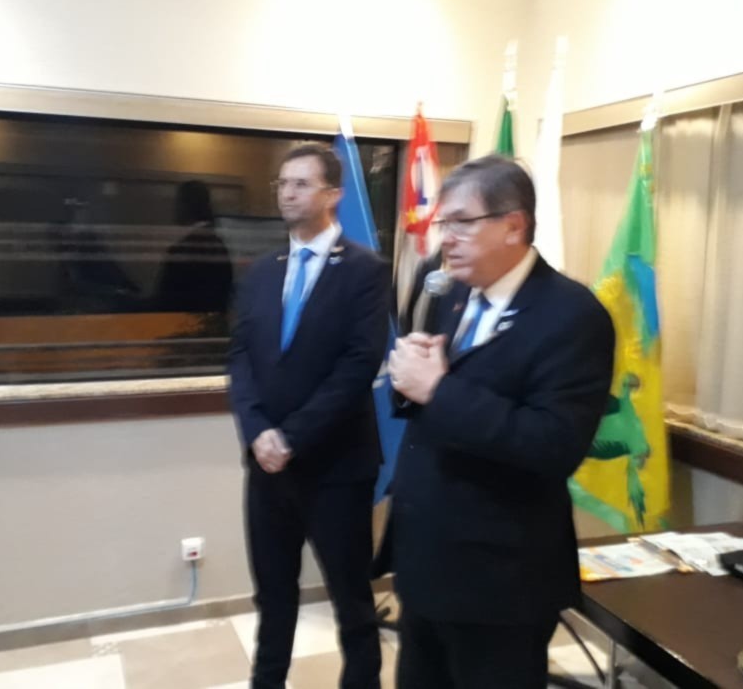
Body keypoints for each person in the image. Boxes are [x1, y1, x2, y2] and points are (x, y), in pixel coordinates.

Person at [386, 155, 615, 689]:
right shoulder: (446, 288)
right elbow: (426, 404)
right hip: (425, 560)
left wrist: (438, 390)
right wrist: (409, 379)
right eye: (444, 222)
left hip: (500, 582)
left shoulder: (572, 315)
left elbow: (554, 444)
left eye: (462, 222)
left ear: (514, 225)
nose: (446, 238)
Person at [228, 143, 390, 689]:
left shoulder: (365, 271)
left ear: (333, 194)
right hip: (267, 469)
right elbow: (240, 357)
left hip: (336, 468)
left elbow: (358, 366)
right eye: (282, 183)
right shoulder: (261, 272)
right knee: (273, 596)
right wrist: (258, 433)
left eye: (301, 183)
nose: (287, 193)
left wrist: (291, 436)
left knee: (352, 601)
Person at [155, 179, 233, 316]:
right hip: (211, 325)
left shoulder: (184, 250)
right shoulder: (218, 246)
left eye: (178, 203)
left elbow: (166, 302)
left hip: (183, 325)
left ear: (186, 206)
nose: (175, 209)